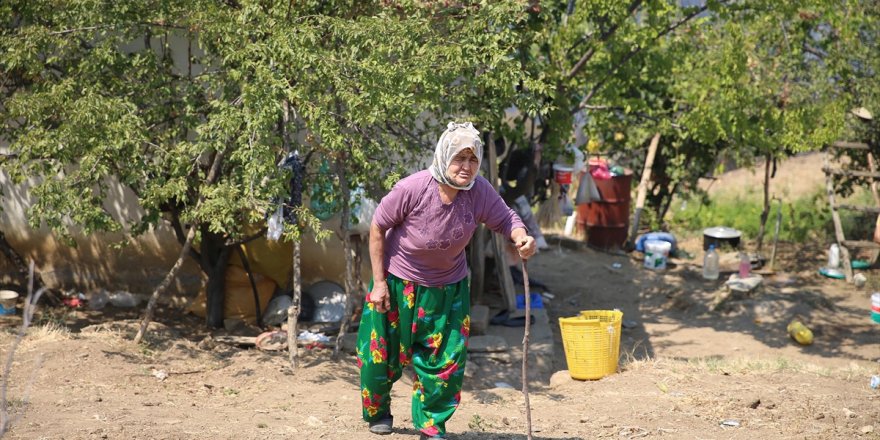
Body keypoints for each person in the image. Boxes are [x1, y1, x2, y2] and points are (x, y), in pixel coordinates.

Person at [356, 122, 537, 439]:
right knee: (380, 354)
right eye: (459, 158)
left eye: (472, 159)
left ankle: (430, 422)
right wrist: (379, 282)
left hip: (448, 288)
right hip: (398, 283)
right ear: (443, 156)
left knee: (445, 360)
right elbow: (377, 227)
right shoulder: (412, 188)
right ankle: (378, 412)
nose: (466, 167)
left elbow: (506, 218)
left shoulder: (479, 192)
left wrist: (521, 237)